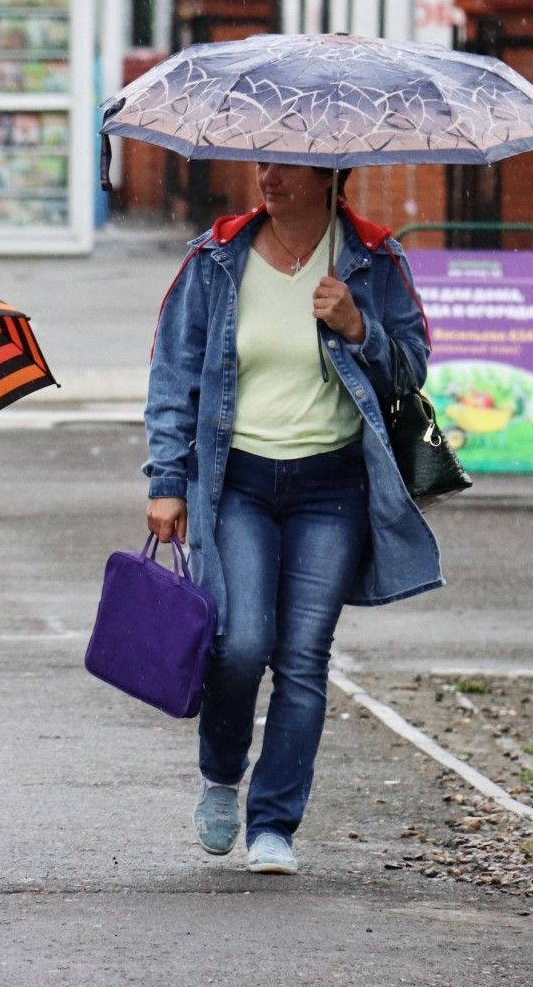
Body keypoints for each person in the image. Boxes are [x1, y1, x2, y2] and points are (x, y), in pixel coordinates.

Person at [144, 162, 444, 875]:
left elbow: (413, 369)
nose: (268, 176)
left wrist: (358, 325)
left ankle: (274, 823)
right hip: (238, 480)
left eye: (288, 166)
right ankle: (221, 770)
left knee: (304, 659)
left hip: (330, 488)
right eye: (262, 162)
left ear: (329, 177)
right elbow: (172, 373)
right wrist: (165, 479)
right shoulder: (217, 258)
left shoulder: (374, 259)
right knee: (242, 643)